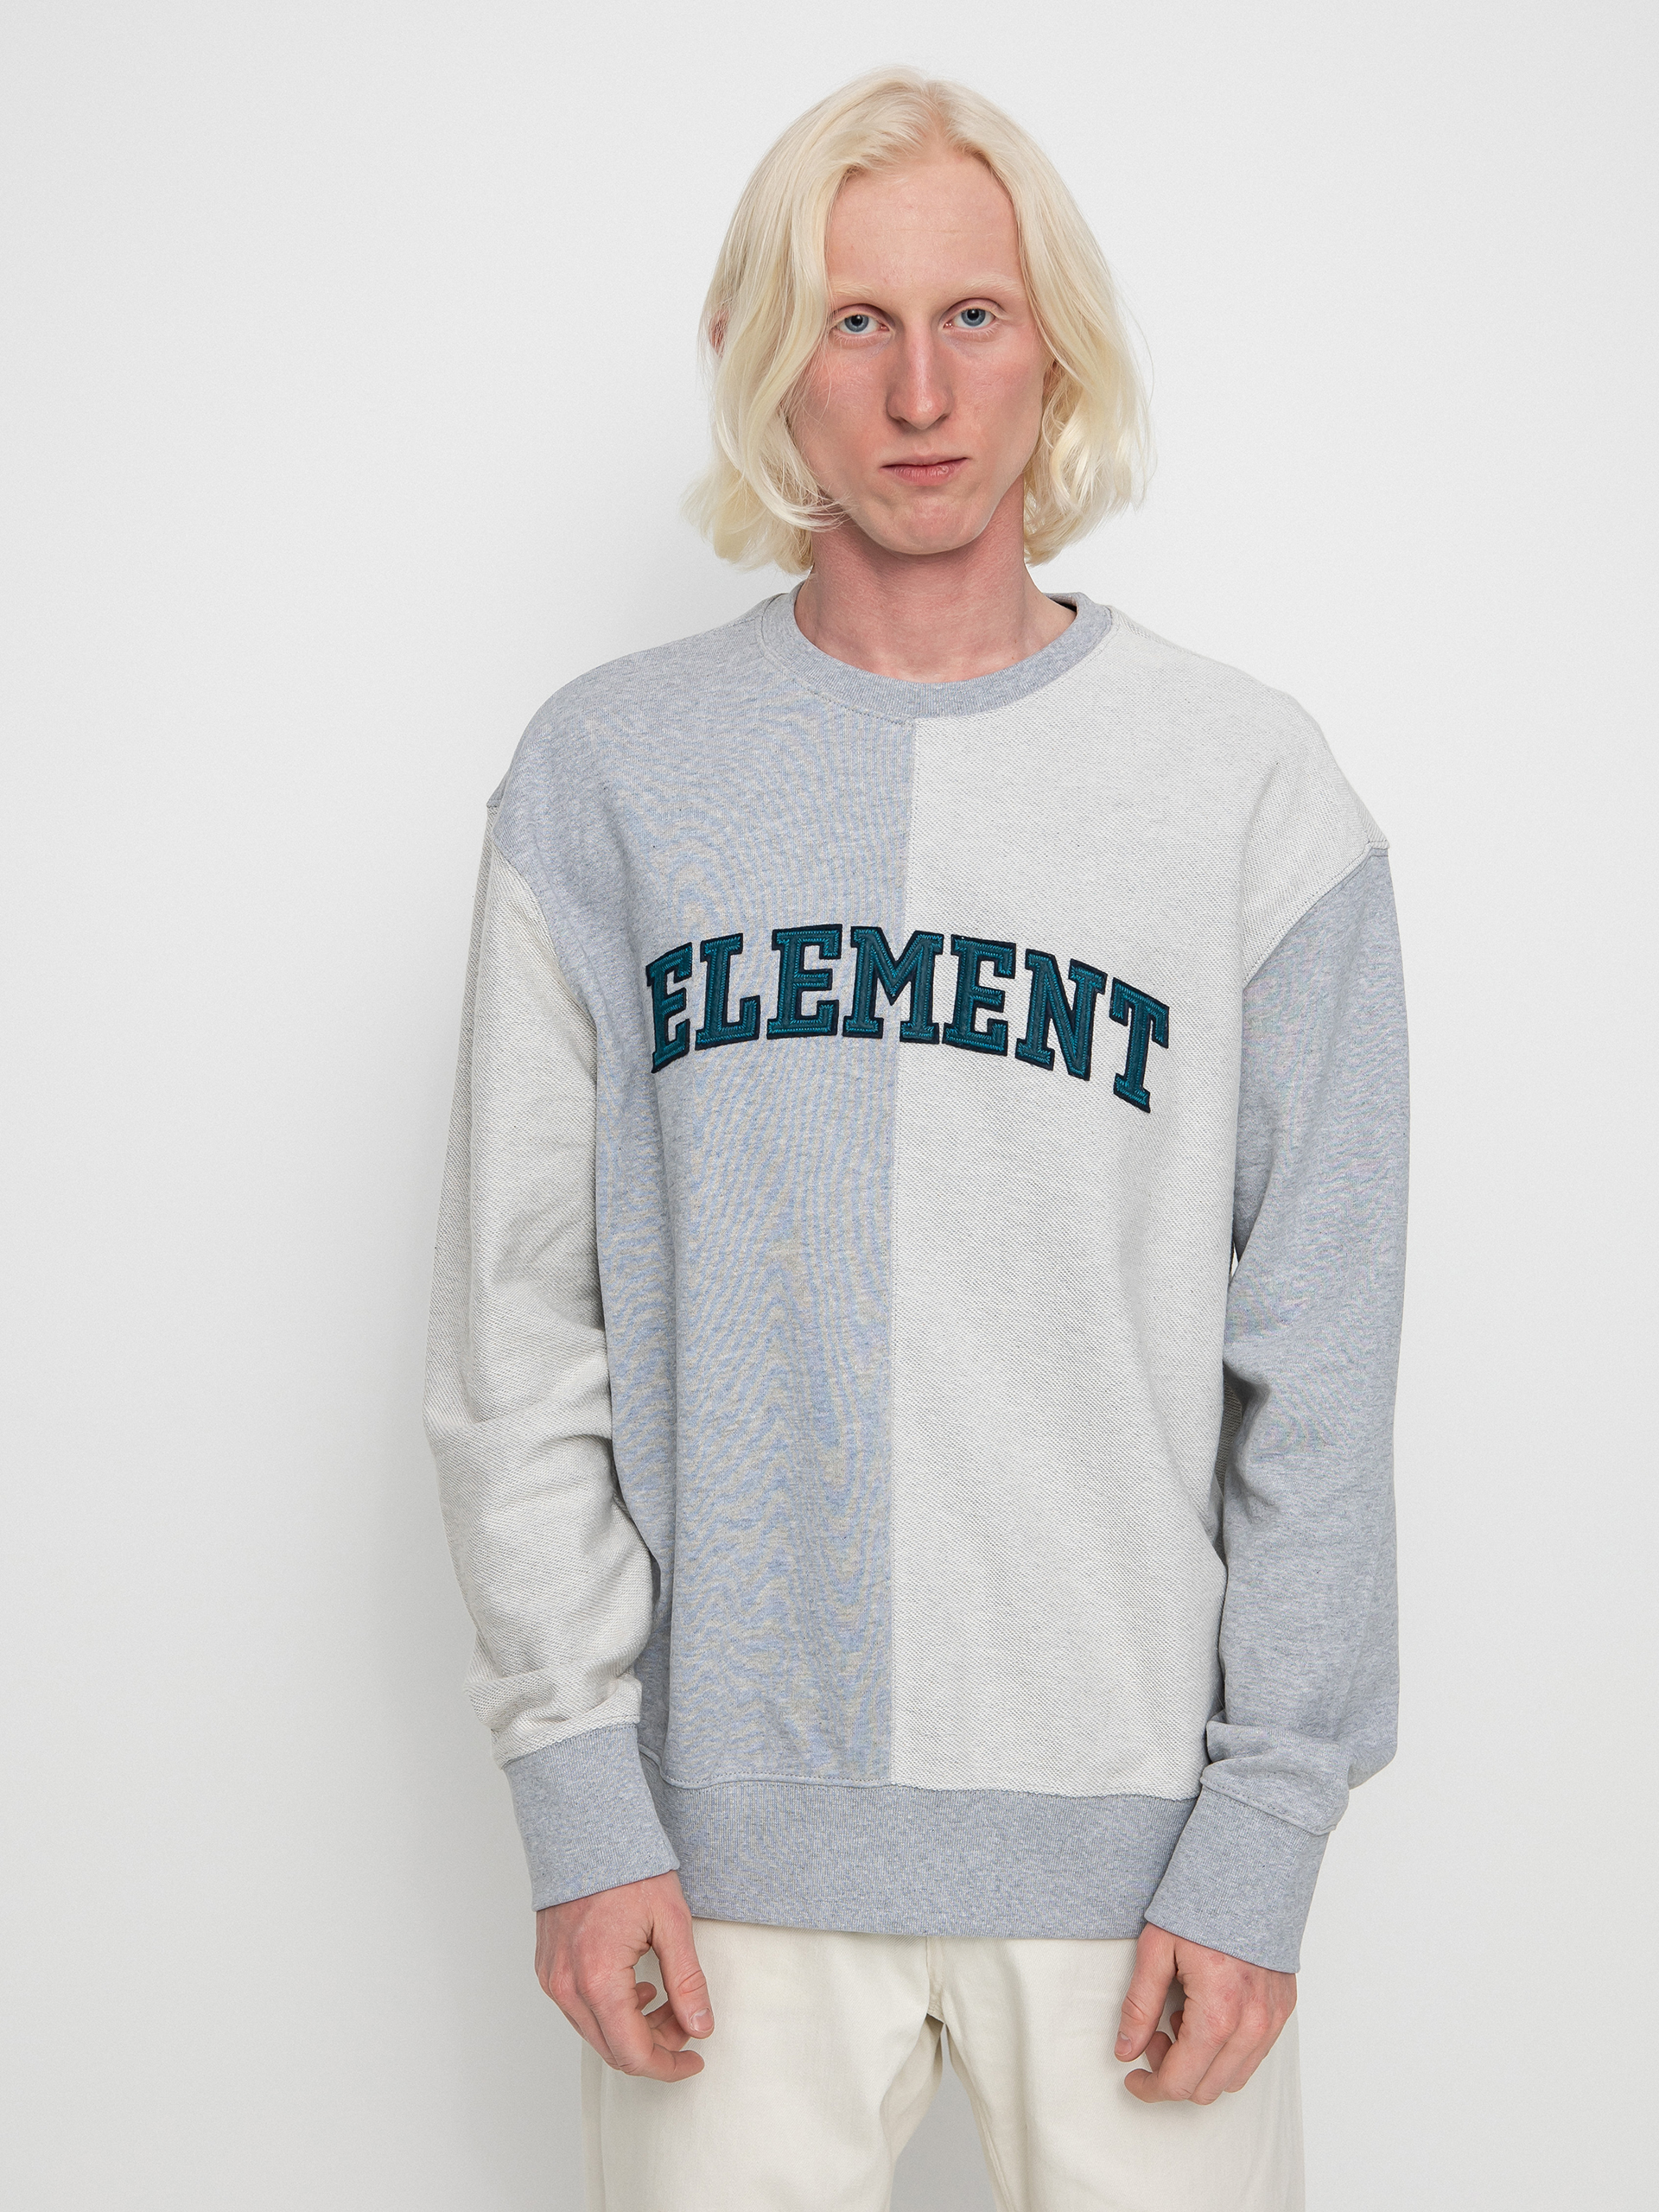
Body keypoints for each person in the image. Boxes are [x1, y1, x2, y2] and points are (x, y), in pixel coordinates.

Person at [423, 66, 1408, 2212]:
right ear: (756, 355)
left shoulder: (1249, 793)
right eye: (853, 321)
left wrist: (1265, 1826)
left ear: (1058, 343)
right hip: (715, 1866)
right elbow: (517, 1331)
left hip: (1142, 1860)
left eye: (975, 314)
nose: (922, 391)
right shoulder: (607, 776)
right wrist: (581, 1794)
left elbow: (1319, 1361)